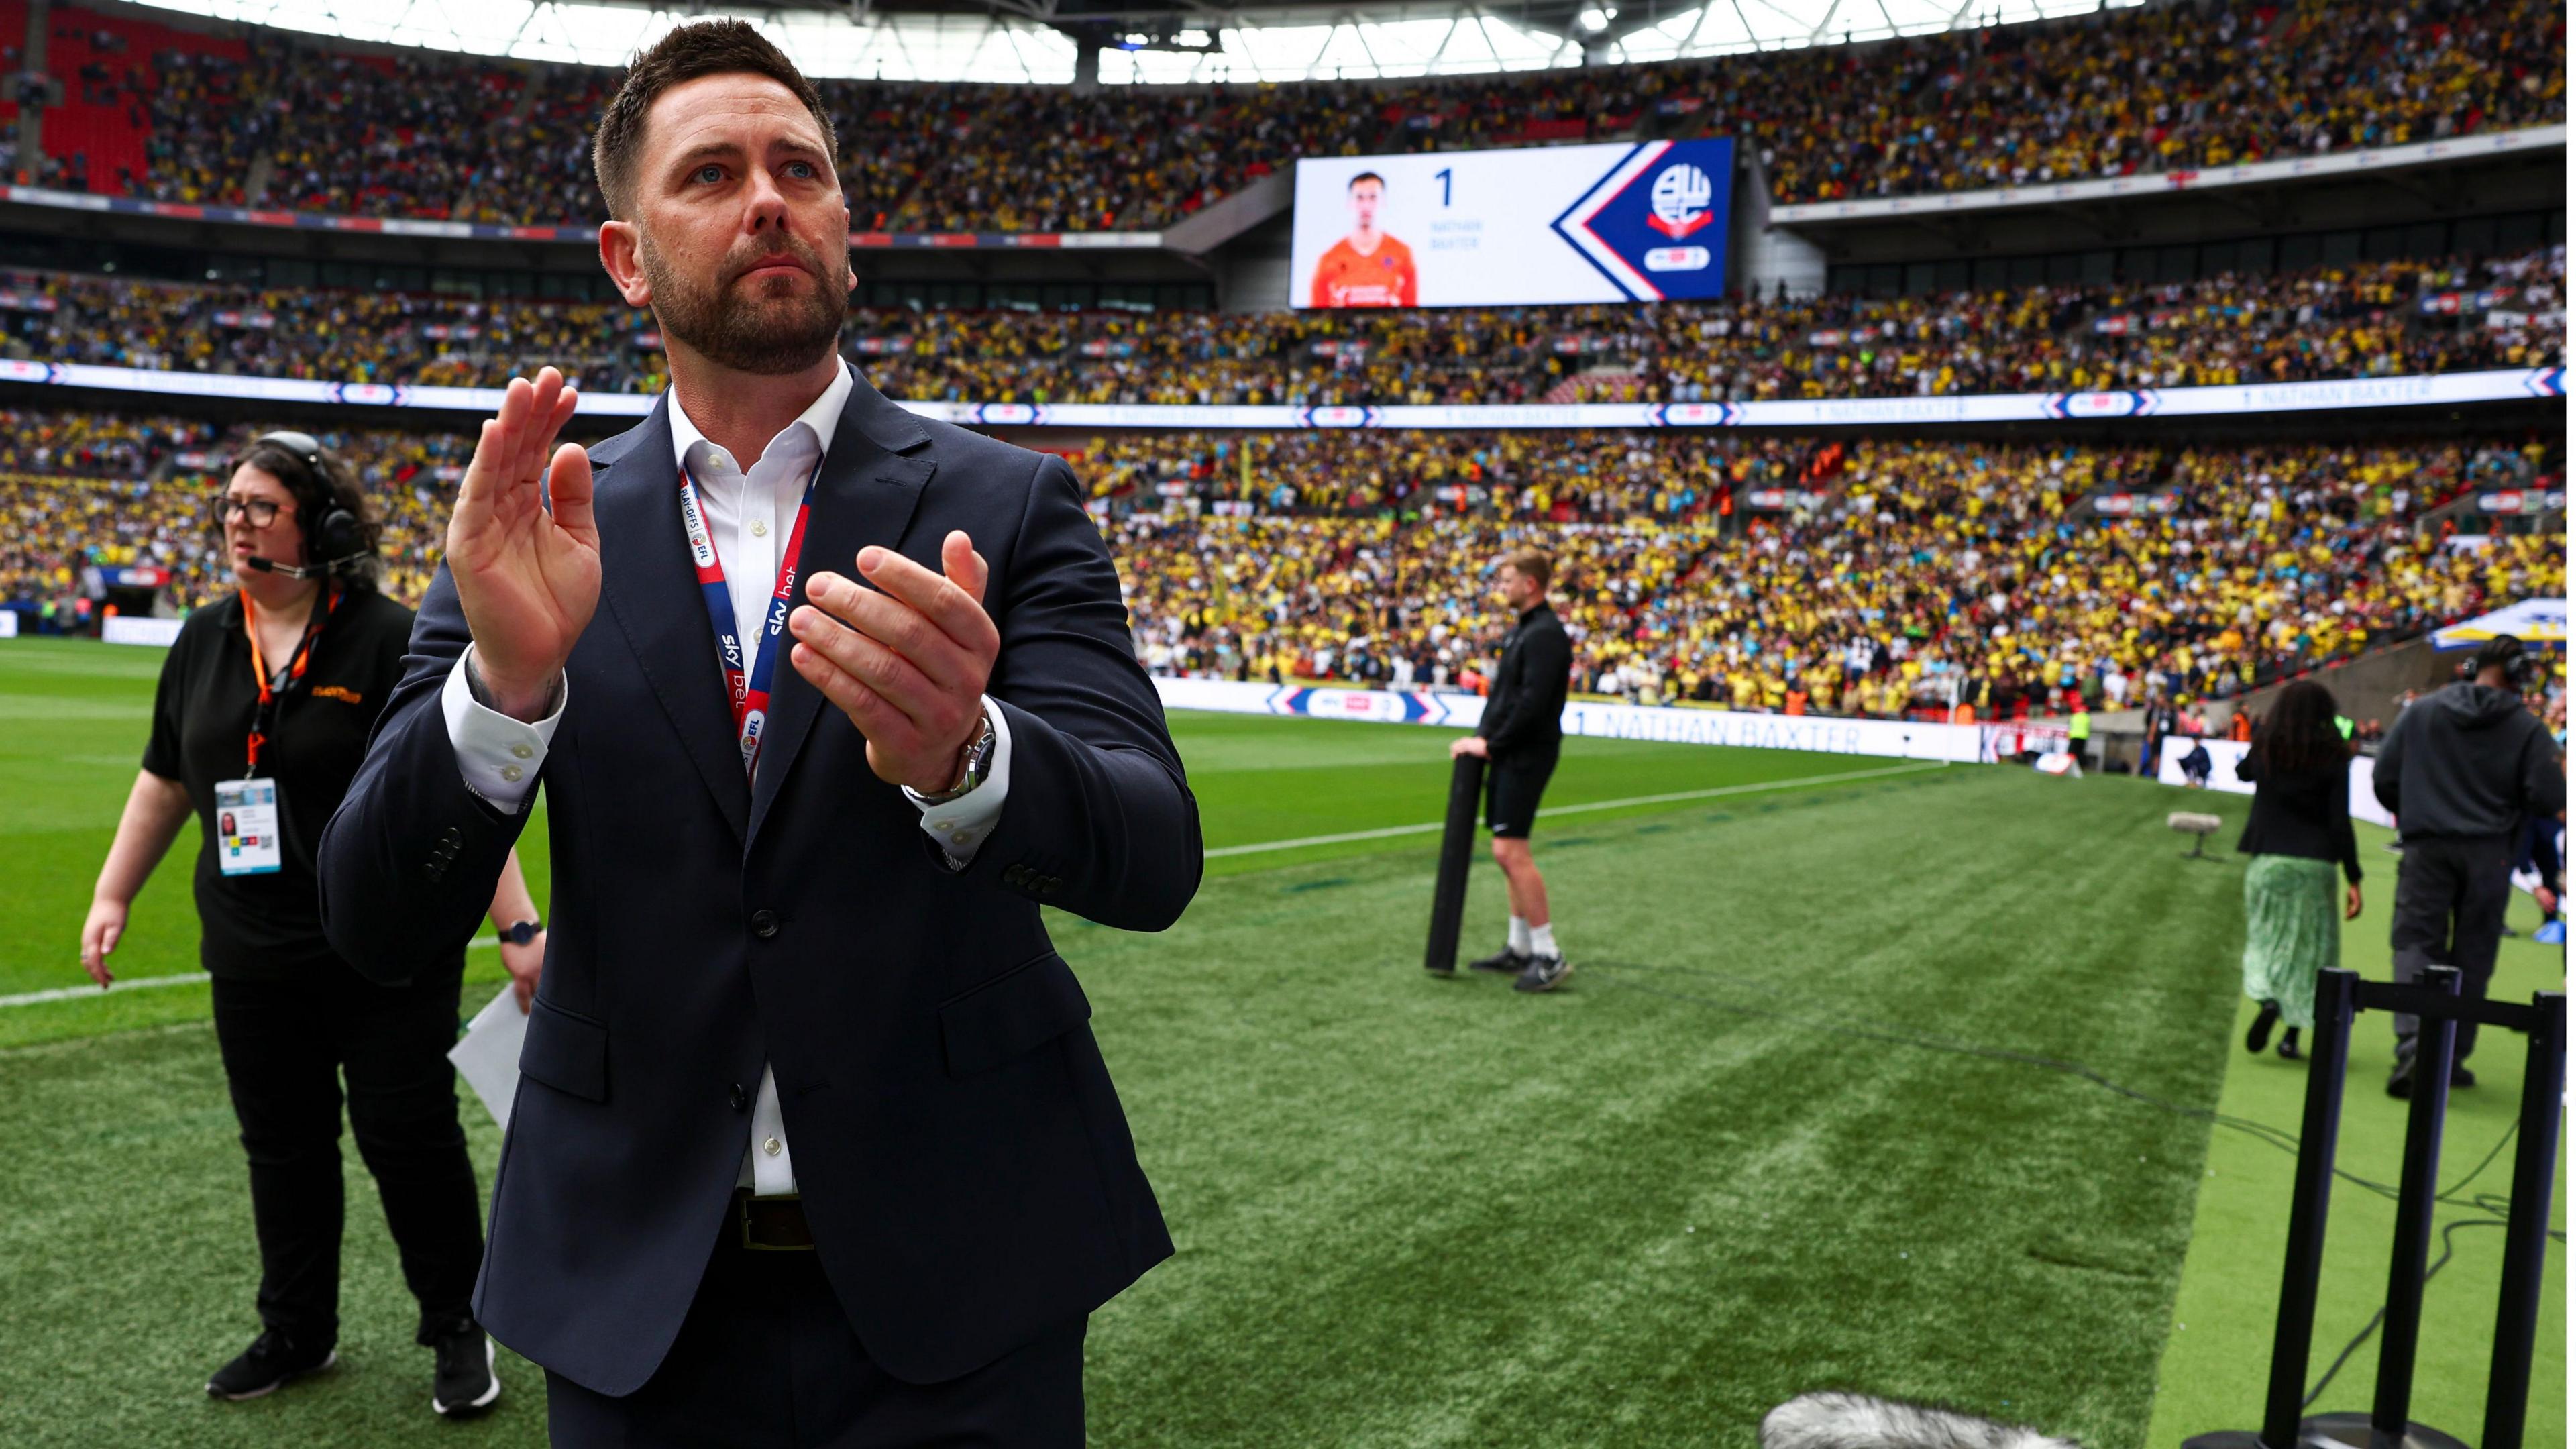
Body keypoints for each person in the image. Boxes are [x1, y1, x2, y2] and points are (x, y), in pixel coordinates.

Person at [315, 22, 1202, 1445]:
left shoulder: (1011, 500)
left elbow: (1153, 856)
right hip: (634, 1292)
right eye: (712, 173)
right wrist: (504, 693)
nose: (770, 197)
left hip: (962, 1280)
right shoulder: (535, 529)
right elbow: (369, 916)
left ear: (847, 228)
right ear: (627, 257)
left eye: (802, 168)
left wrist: (970, 764)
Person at [77, 430, 547, 1415]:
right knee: (281, 1147)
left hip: (378, 948)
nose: (238, 525)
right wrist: (113, 894)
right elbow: (166, 777)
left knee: (406, 1137)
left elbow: (457, 797)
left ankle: (457, 1326)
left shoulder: (384, 638)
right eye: (231, 509)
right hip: (251, 952)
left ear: (321, 524)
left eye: (260, 507)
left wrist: (516, 927)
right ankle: (297, 1330)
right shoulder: (205, 638)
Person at [2370, 635, 2565, 1098]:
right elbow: (2550, 798)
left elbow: (2384, 778)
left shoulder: (2423, 712)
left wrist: (2420, 813)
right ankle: (2451, 1057)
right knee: (2474, 954)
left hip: (2427, 847)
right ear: (2518, 676)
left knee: (2417, 943)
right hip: (2490, 853)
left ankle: (2416, 1047)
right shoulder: (2527, 729)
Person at [1450, 547, 1572, 993]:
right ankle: (1520, 947)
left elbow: (1532, 705)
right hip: (1511, 752)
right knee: (1507, 850)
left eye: (1506, 581)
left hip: (1526, 753)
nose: (1501, 589)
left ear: (1531, 584)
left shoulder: (1544, 634)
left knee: (1510, 852)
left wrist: (1490, 742)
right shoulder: (1528, 631)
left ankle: (1548, 953)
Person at [2235, 681, 2364, 1062]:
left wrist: (2264, 740)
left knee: (2264, 939)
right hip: (2316, 864)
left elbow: (2244, 773)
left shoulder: (2268, 748)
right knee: (2312, 951)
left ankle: (2266, 996)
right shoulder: (2335, 756)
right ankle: (2292, 1034)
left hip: (2268, 859)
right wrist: (2354, 877)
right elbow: (2340, 822)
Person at [1308, 170, 1418, 308]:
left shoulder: (1403, 253)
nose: (1366, 206)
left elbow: (1412, 305)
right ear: (1350, 202)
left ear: (1383, 201)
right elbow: (1316, 308)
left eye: (1373, 197)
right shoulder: (1329, 258)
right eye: (1360, 198)